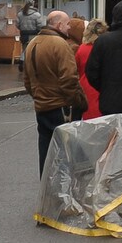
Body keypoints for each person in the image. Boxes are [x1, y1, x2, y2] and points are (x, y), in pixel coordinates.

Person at [22, 10, 85, 174]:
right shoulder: (61, 44)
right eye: (67, 24)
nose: (70, 27)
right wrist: (77, 101)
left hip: (42, 106)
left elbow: (27, 80)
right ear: (58, 25)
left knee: (45, 152)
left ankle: (47, 189)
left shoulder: (32, 44)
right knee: (65, 154)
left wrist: (37, 95)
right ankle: (64, 191)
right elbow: (69, 78)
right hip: (61, 107)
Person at [73, 19, 107, 119]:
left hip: (85, 86)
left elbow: (77, 69)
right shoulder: (105, 47)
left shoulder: (82, 48)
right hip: (102, 86)